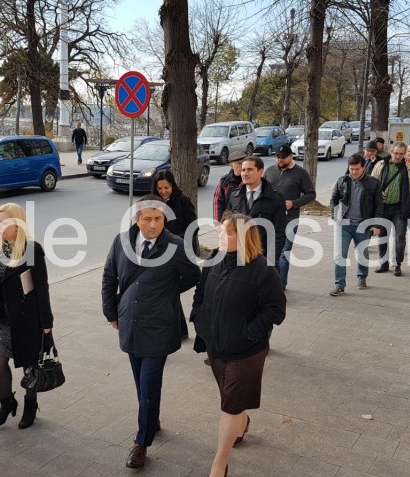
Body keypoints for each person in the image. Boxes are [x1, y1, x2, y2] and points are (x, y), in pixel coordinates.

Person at [101, 194, 200, 469]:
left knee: (148, 385)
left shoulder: (176, 245)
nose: (154, 224)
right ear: (137, 219)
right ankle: (151, 419)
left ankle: (141, 442)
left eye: (158, 218)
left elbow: (193, 276)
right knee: (140, 383)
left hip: (159, 326)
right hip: (130, 323)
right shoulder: (121, 242)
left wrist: (166, 292)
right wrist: (111, 312)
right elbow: (109, 277)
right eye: (147, 219)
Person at [191, 212, 286, 477]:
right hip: (215, 346)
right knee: (231, 400)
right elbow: (200, 293)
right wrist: (199, 319)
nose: (220, 235)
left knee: (230, 406)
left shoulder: (263, 269)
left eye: (228, 232)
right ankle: (241, 422)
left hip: (246, 351)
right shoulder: (213, 260)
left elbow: (276, 310)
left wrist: (248, 333)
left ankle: (219, 464)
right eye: (221, 230)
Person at [0, 203, 54, 429]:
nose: (0, 227)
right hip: (4, 318)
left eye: (5, 222)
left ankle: (30, 404)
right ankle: (7, 403)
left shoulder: (32, 250)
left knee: (30, 367)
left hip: (27, 318)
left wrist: (46, 322)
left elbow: (42, 287)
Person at [150, 169, 198, 339]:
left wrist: (175, 241)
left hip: (179, 252)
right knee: (168, 290)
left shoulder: (182, 201)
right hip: (159, 253)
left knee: (170, 289)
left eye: (167, 187)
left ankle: (179, 330)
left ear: (173, 185)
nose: (163, 192)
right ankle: (179, 330)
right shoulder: (152, 202)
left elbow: (194, 227)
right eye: (159, 188)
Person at [329, 154, 383, 296]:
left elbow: (378, 205)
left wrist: (376, 225)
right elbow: (333, 200)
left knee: (362, 254)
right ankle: (339, 284)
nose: (353, 172)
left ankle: (362, 277)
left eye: (357, 169)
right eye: (351, 169)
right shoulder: (342, 181)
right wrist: (335, 216)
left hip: (363, 224)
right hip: (343, 224)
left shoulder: (373, 183)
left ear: (363, 167)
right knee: (339, 255)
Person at [264, 145, 316, 290]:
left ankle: (281, 286)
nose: (279, 160)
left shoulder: (301, 173)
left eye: (283, 157)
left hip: (290, 219)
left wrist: (293, 203)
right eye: (277, 157)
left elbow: (311, 194)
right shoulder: (269, 171)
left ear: (291, 156)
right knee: (269, 253)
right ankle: (270, 285)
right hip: (269, 220)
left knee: (283, 254)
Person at [371, 142, 410, 276]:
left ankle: (397, 264)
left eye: (400, 154)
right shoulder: (381, 165)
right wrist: (377, 192)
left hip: (400, 208)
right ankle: (383, 263)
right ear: (391, 152)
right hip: (382, 207)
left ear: (405, 154)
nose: (397, 156)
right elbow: (372, 182)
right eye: (395, 153)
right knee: (382, 236)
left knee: (400, 237)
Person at [225, 156, 287, 264]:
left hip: (263, 257)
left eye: (249, 169)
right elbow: (229, 228)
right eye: (243, 170)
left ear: (261, 171)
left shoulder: (276, 198)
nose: (245, 173)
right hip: (238, 257)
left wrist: (270, 261)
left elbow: (279, 233)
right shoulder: (234, 196)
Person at [213, 154, 246, 222]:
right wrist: (218, 223)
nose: (242, 165)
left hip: (246, 219)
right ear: (231, 165)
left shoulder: (249, 179)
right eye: (239, 163)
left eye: (244, 163)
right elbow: (218, 202)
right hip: (229, 220)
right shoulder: (224, 181)